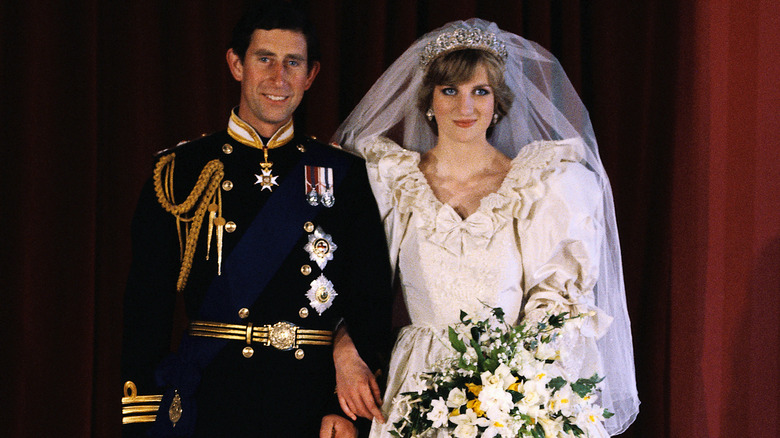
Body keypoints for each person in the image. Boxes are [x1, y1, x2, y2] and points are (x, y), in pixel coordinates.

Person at [332, 19, 639, 437]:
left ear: (499, 102)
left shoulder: (542, 187)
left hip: (510, 386)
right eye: (450, 91)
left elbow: (557, 303)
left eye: (481, 91)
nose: (466, 107)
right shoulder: (390, 182)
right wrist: (344, 345)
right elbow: (350, 279)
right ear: (428, 100)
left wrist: (511, 385)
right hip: (419, 384)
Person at [120, 2, 392, 437]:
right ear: (236, 64)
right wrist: (144, 416)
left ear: (311, 74)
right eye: (264, 58)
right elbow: (145, 310)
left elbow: (371, 298)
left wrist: (341, 409)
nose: (278, 78)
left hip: (310, 405)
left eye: (293, 63)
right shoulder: (180, 171)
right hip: (211, 402)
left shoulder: (341, 173)